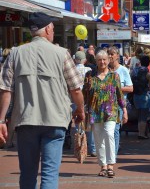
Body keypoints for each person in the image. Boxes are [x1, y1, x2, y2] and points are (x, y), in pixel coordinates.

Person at [0, 12, 85, 189]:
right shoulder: (62, 53)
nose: (53, 32)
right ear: (47, 29)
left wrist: (1, 120)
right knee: (49, 174)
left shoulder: (15, 53)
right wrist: (80, 110)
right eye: (53, 29)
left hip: (26, 121)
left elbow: (6, 90)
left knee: (28, 174)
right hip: (55, 122)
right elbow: (76, 89)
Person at [82, 50, 128, 178]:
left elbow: (119, 94)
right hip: (95, 111)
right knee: (98, 138)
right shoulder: (89, 75)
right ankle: (103, 166)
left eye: (104, 60)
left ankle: (111, 165)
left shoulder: (114, 76)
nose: (102, 62)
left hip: (111, 111)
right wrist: (81, 109)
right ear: (96, 61)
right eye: (99, 60)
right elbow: (84, 93)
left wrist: (124, 110)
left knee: (109, 134)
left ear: (108, 61)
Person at [108, 46, 133, 157]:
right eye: (108, 53)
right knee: (107, 131)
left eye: (112, 54)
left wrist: (116, 87)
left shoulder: (123, 70)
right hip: (105, 104)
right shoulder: (105, 69)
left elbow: (131, 88)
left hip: (119, 104)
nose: (110, 56)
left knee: (115, 129)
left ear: (117, 56)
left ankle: (114, 154)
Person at [73, 51, 96, 156]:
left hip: (74, 99)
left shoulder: (72, 70)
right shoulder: (89, 70)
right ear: (84, 60)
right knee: (89, 123)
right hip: (87, 98)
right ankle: (92, 148)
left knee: (76, 122)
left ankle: (77, 145)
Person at [131, 55, 150, 139]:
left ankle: (139, 132)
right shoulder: (148, 73)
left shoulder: (135, 70)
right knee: (143, 115)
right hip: (144, 96)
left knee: (139, 114)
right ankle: (141, 133)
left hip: (135, 95)